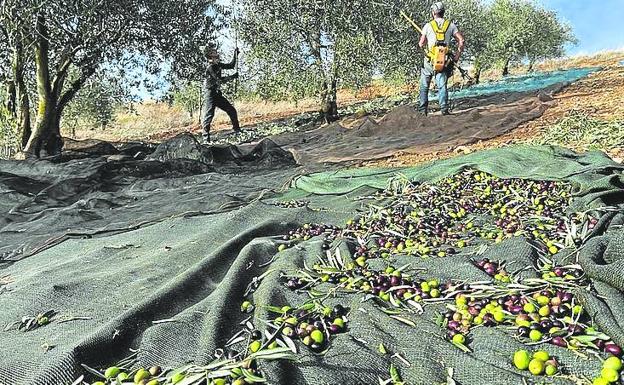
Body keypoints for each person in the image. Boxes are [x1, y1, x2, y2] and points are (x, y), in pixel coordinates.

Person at [418, 2, 465, 116]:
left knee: (424, 85)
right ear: (443, 12)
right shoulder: (451, 25)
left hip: (429, 60)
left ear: (433, 13)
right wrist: (457, 56)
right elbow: (461, 40)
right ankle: (444, 108)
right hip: (443, 60)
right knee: (442, 84)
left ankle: (423, 110)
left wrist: (425, 44)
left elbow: (421, 44)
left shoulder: (428, 26)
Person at [201, 45, 240, 144]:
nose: (217, 55)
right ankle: (206, 138)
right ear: (210, 58)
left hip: (217, 94)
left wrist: (235, 54)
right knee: (209, 115)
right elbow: (219, 80)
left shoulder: (218, 65)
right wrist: (232, 76)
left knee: (231, 110)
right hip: (210, 94)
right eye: (214, 54)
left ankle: (237, 131)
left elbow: (231, 65)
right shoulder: (210, 68)